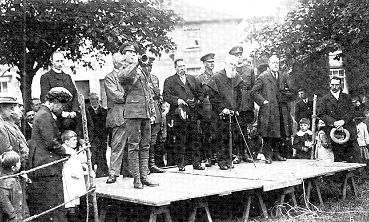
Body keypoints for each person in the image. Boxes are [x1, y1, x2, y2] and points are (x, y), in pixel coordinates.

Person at [27, 87, 72, 221]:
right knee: (52, 205)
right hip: (47, 167)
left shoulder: (43, 113)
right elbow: (50, 142)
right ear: (55, 102)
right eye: (61, 106)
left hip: (45, 165)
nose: (62, 109)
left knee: (50, 206)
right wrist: (66, 151)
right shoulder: (44, 116)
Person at [251, 54, 296, 164]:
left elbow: (290, 90)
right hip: (268, 109)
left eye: (277, 63)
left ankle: (277, 154)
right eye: (273, 63)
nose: (276, 65)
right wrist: (263, 101)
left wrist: (286, 96)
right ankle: (267, 155)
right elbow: (253, 92)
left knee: (280, 131)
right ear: (269, 64)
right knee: (268, 133)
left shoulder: (282, 75)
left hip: (281, 109)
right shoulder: (263, 76)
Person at [163, 58, 204, 171]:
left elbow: (200, 94)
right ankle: (181, 163)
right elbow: (166, 95)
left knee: (195, 138)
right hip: (178, 114)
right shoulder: (170, 81)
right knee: (181, 139)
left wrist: (196, 102)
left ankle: (197, 162)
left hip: (192, 113)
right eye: (180, 66)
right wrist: (178, 101)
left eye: (184, 66)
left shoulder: (192, 79)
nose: (182, 68)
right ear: (175, 68)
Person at [208, 55, 244, 170]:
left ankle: (229, 160)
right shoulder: (217, 77)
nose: (233, 67)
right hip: (220, 113)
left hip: (233, 113)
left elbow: (239, 96)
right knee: (221, 137)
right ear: (225, 64)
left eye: (234, 65)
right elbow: (213, 96)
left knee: (232, 137)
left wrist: (236, 109)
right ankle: (222, 161)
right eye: (230, 65)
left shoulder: (237, 77)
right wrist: (222, 108)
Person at [318, 77, 359, 162]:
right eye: (332, 84)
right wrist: (334, 122)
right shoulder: (324, 99)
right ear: (330, 85)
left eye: (336, 85)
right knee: (338, 157)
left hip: (348, 130)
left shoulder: (346, 97)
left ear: (340, 85)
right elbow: (321, 114)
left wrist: (343, 121)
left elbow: (352, 112)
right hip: (333, 131)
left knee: (353, 156)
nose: (334, 87)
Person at [104, 52, 130, 183]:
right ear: (115, 62)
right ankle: (113, 173)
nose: (125, 62)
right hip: (118, 115)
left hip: (132, 114)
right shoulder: (109, 77)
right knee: (117, 145)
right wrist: (131, 96)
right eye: (122, 60)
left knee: (133, 144)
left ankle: (130, 171)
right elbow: (115, 95)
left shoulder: (129, 75)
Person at [40, 51, 79, 132]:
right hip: (56, 117)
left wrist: (74, 111)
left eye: (61, 61)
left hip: (71, 115)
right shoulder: (46, 77)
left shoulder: (67, 77)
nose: (60, 63)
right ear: (51, 61)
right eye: (57, 61)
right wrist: (60, 113)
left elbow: (75, 94)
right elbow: (46, 97)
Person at [229, 46, 255, 163]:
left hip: (247, 103)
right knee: (236, 130)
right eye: (236, 55)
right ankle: (237, 154)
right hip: (235, 103)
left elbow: (254, 88)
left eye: (240, 55)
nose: (239, 57)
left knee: (246, 129)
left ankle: (246, 153)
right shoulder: (230, 70)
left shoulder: (250, 70)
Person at [143, 57, 165, 173]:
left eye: (150, 66)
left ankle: (152, 164)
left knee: (153, 140)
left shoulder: (154, 78)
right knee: (145, 141)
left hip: (156, 111)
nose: (149, 68)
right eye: (147, 66)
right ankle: (144, 166)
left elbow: (158, 97)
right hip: (145, 111)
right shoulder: (140, 78)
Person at [196, 53, 218, 167]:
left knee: (216, 133)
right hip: (206, 110)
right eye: (209, 62)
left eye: (213, 62)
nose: (212, 64)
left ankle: (215, 155)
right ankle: (208, 156)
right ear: (204, 64)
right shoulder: (200, 78)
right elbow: (198, 95)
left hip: (216, 109)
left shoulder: (217, 76)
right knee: (207, 134)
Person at [60, 130, 87, 215]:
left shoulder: (72, 150)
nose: (76, 142)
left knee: (74, 201)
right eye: (73, 140)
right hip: (70, 180)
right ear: (66, 142)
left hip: (73, 179)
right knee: (70, 201)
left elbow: (83, 159)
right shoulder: (67, 151)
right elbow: (70, 167)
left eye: (76, 140)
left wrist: (83, 147)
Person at [0, 151, 29, 221]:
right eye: (19, 162)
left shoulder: (14, 177)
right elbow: (5, 203)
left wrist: (24, 180)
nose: (20, 163)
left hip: (19, 216)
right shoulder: (5, 183)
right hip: (12, 219)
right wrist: (13, 216)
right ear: (13, 168)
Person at [0, 97, 29, 169]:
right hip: (12, 168)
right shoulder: (1, 127)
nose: (13, 111)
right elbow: (7, 152)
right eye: (11, 108)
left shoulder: (13, 126)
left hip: (20, 166)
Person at [87, 93, 109, 177]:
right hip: (92, 137)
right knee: (92, 154)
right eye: (92, 99)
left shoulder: (104, 111)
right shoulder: (87, 111)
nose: (95, 101)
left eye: (96, 99)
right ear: (90, 101)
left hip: (102, 136)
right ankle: (91, 173)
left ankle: (102, 172)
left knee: (102, 153)